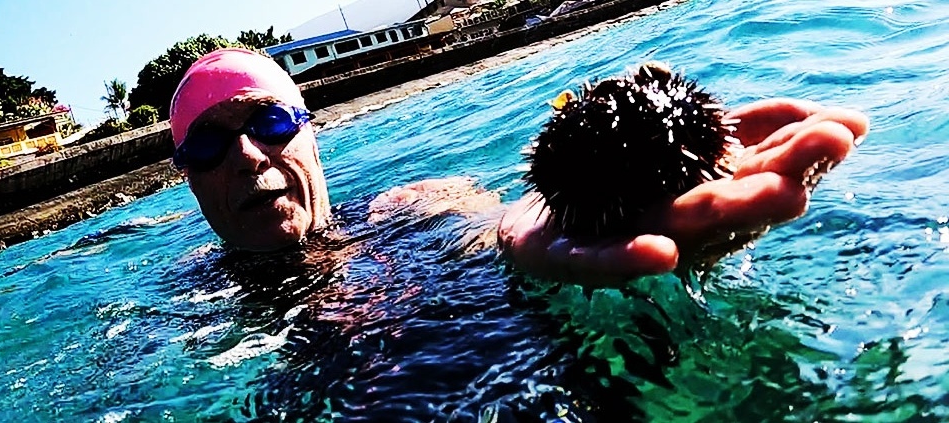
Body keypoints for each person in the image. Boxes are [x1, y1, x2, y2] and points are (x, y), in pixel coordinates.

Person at [169, 48, 869, 285]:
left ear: (310, 137)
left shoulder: (414, 204)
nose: (245, 154)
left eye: (268, 123)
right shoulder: (175, 311)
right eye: (208, 145)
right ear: (190, 177)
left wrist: (548, 227)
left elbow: (489, 224)